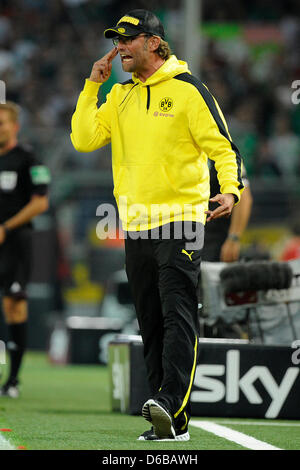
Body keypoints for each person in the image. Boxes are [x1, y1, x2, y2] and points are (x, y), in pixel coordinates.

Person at [70, 9, 244, 441]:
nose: (119, 48)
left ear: (154, 42)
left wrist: (231, 190)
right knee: (150, 319)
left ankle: (168, 400)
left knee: (178, 312)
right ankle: (170, 420)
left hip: (182, 219)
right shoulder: (119, 95)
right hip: (137, 225)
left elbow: (223, 146)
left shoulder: (188, 90)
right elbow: (83, 139)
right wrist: (92, 86)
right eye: (117, 40)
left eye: (128, 39)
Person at [0, 102, 50, 397]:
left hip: (16, 244)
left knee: (14, 305)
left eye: (3, 123)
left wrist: (6, 228)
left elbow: (41, 202)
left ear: (15, 126)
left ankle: (13, 380)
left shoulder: (30, 159)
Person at [202, 159, 253, 262]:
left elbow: (244, 198)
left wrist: (233, 238)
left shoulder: (224, 150)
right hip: (186, 237)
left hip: (216, 243)